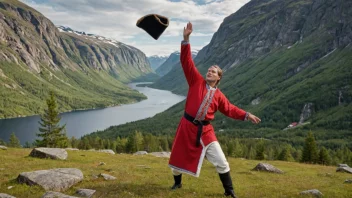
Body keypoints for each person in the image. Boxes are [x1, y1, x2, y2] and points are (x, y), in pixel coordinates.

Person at [168, 22, 261, 198]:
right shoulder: (196, 81)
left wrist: (247, 115)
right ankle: (177, 184)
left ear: (219, 78)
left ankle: (229, 192)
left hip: (205, 131)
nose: (209, 72)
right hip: (187, 127)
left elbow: (230, 109)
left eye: (214, 71)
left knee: (222, 161)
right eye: (209, 70)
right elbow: (186, 62)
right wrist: (186, 39)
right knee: (176, 162)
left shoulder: (219, 96)